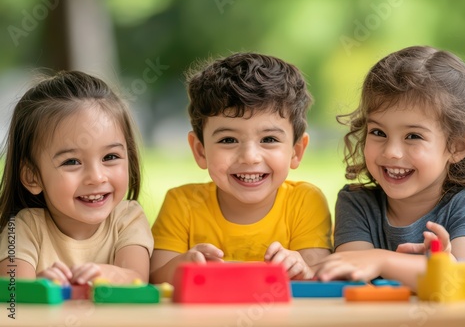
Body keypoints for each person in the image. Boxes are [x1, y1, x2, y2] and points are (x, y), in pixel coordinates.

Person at [314, 45, 465, 291]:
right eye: (378, 132)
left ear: (457, 146)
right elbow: (352, 273)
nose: (391, 152)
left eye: (413, 136)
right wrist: (431, 270)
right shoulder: (357, 203)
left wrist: (383, 260)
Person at [150, 52, 332, 284]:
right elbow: (155, 280)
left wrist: (300, 268)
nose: (249, 157)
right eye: (228, 140)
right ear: (200, 150)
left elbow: (318, 276)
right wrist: (182, 266)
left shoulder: (305, 202)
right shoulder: (182, 204)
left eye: (268, 139)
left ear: (296, 151)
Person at [0, 71, 153, 285]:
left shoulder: (128, 218)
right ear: (32, 176)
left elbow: (137, 278)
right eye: (71, 162)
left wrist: (105, 274)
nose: (96, 177)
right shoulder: (23, 228)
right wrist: (39, 287)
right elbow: (12, 292)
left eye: (110, 157)